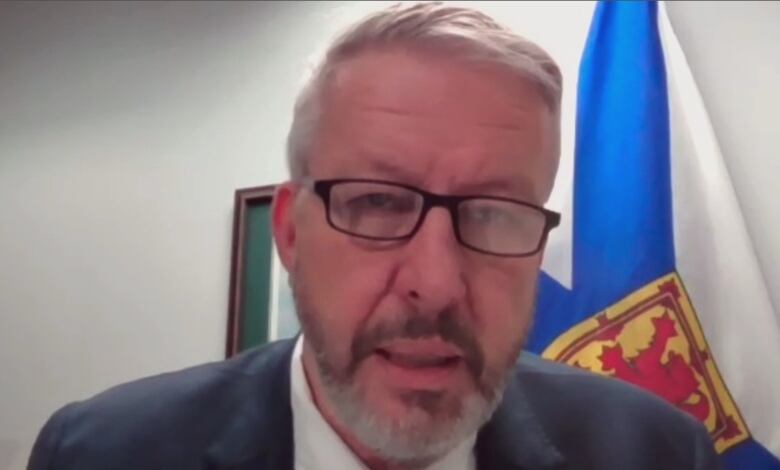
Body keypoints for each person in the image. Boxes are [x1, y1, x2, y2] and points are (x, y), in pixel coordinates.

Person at [28, 3, 721, 469]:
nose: (438, 282)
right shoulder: (103, 451)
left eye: (492, 212)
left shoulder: (656, 451)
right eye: (378, 204)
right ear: (291, 236)